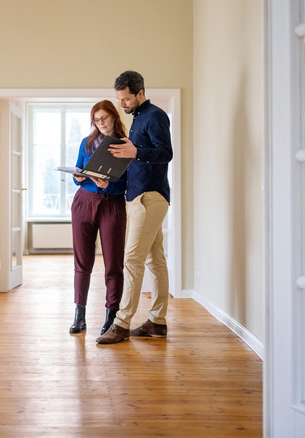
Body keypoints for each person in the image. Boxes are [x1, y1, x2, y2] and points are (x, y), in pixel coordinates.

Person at [96, 70, 173, 344]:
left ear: (140, 92)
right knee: (155, 260)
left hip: (149, 198)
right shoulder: (138, 120)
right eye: (120, 100)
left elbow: (166, 153)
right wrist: (108, 178)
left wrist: (136, 151)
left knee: (132, 260)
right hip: (138, 197)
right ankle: (157, 322)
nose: (123, 105)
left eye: (126, 99)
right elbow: (135, 163)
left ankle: (121, 323)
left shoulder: (155, 116)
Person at [68, 100, 128, 335]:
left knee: (113, 263)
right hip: (84, 202)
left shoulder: (125, 145)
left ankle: (111, 315)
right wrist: (79, 178)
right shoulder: (87, 142)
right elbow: (77, 170)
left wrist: (110, 183)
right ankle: (79, 315)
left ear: (114, 117)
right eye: (96, 119)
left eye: (104, 118)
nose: (100, 123)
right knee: (82, 262)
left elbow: (128, 182)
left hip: (112, 204)